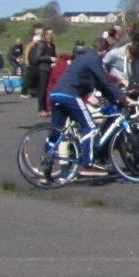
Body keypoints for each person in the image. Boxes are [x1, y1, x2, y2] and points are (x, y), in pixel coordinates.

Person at [47, 34, 134, 179]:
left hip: (56, 94)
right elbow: (105, 82)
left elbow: (96, 82)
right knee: (90, 127)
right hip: (70, 95)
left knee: (56, 132)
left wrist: (110, 96)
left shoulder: (82, 58)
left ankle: (46, 165)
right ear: (104, 51)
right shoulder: (94, 59)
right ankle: (86, 164)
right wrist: (123, 98)